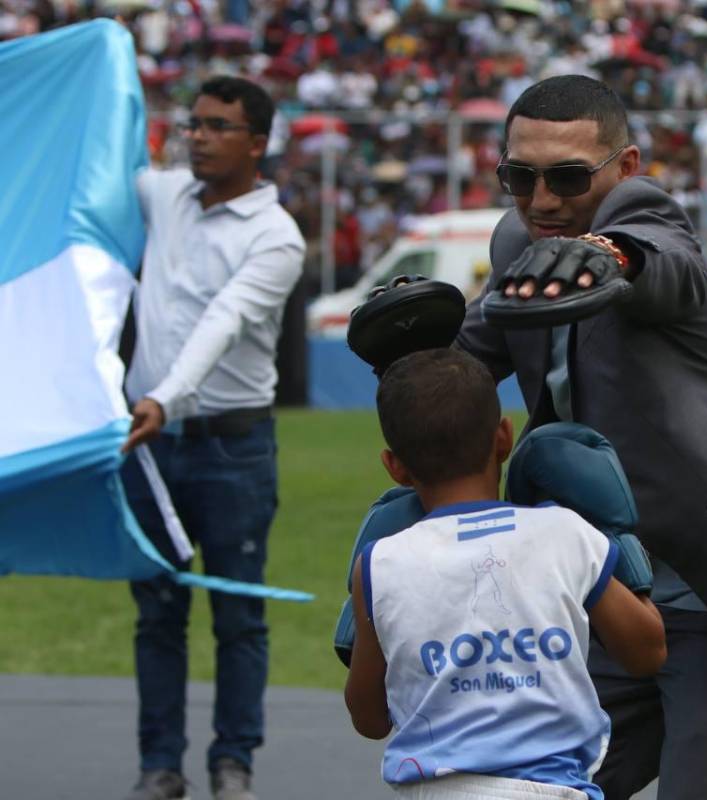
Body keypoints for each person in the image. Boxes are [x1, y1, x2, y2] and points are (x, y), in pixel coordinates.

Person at [455, 75, 707, 800]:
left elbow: (661, 263)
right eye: (520, 176)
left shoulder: (646, 226)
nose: (543, 198)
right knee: (525, 792)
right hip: (611, 597)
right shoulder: (519, 239)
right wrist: (412, 348)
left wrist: (611, 258)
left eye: (568, 177)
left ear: (626, 169)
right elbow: (468, 357)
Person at [345, 348, 666, 799]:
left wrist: (365, 612)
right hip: (551, 789)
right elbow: (647, 651)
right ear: (504, 438)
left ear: (394, 466)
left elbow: (368, 718)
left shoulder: (379, 564)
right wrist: (618, 537)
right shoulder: (563, 533)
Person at [118, 76, 305, 800]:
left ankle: (234, 764)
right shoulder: (165, 195)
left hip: (233, 447)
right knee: (157, 613)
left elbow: (222, 322)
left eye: (217, 126)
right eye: (193, 123)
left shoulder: (275, 236)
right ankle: (159, 767)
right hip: (153, 447)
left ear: (256, 143)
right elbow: (93, 162)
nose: (197, 136)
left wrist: (162, 396)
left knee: (239, 615)